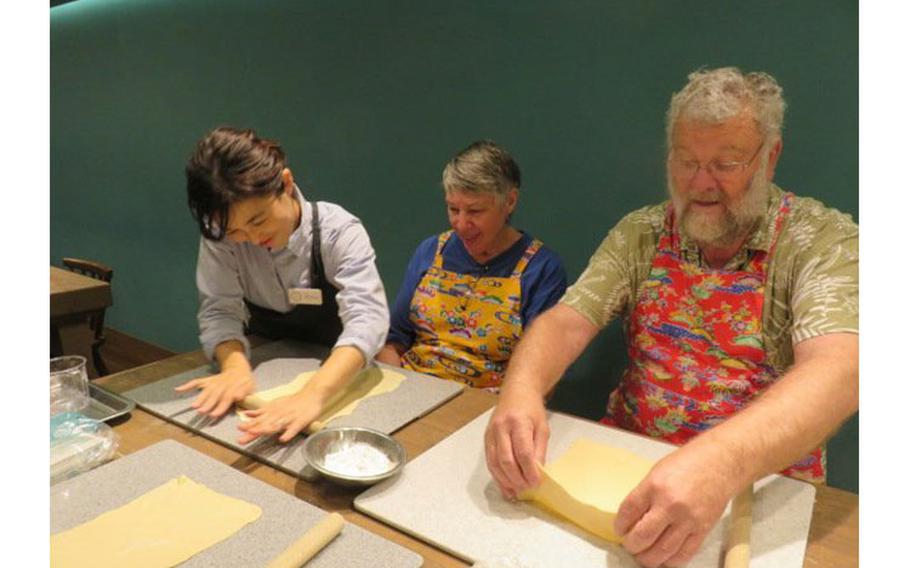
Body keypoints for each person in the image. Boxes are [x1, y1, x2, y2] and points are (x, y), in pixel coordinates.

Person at [484, 68, 858, 567]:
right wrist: (521, 390)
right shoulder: (641, 231)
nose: (701, 184)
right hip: (624, 472)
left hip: (757, 495)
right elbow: (564, 321)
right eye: (686, 162)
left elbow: (841, 369)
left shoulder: (821, 239)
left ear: (770, 157)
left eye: (725, 163)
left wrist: (720, 463)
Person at [176, 126, 390, 445]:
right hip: (267, 365)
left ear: (286, 184)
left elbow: (368, 319)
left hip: (339, 372)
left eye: (258, 220)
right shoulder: (220, 236)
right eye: (234, 231)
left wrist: (313, 395)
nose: (249, 238)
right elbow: (220, 309)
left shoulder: (337, 232)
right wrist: (234, 367)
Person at [376, 140, 567, 391]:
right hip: (413, 388)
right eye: (453, 209)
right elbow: (394, 341)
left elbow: (540, 372)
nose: (461, 223)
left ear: (509, 201)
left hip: (487, 404)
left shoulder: (541, 269)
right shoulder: (431, 251)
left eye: (475, 211)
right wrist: (396, 389)